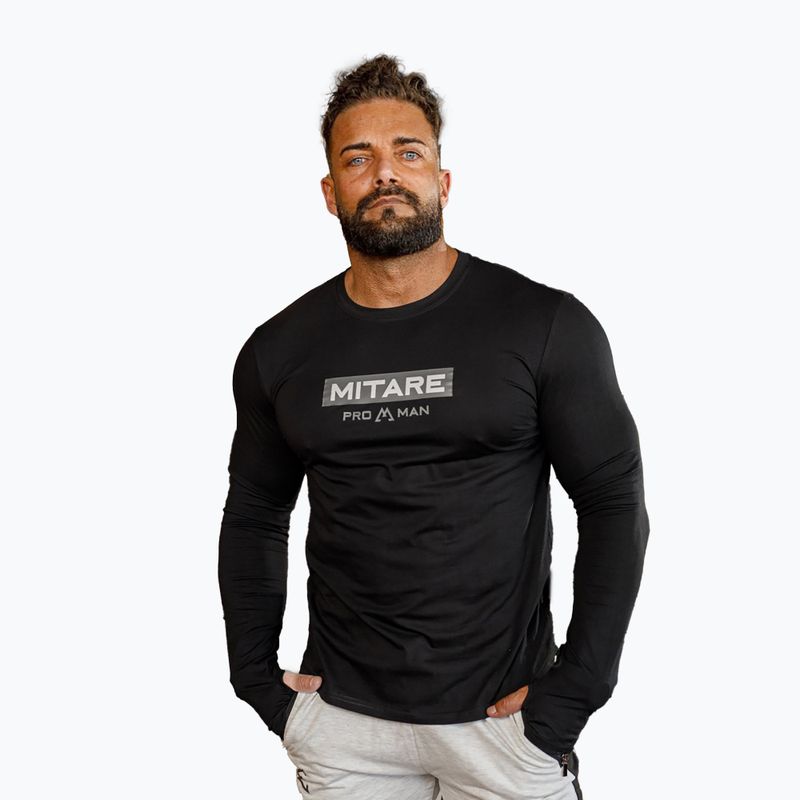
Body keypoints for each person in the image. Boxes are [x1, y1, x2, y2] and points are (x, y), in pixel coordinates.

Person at [217, 53, 649, 800]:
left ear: (443, 181)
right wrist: (256, 680)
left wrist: (575, 691)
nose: (385, 172)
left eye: (408, 152)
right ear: (330, 191)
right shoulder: (278, 350)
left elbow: (614, 503)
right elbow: (256, 513)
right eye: (359, 158)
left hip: (503, 723)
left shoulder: (544, 325)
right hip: (345, 728)